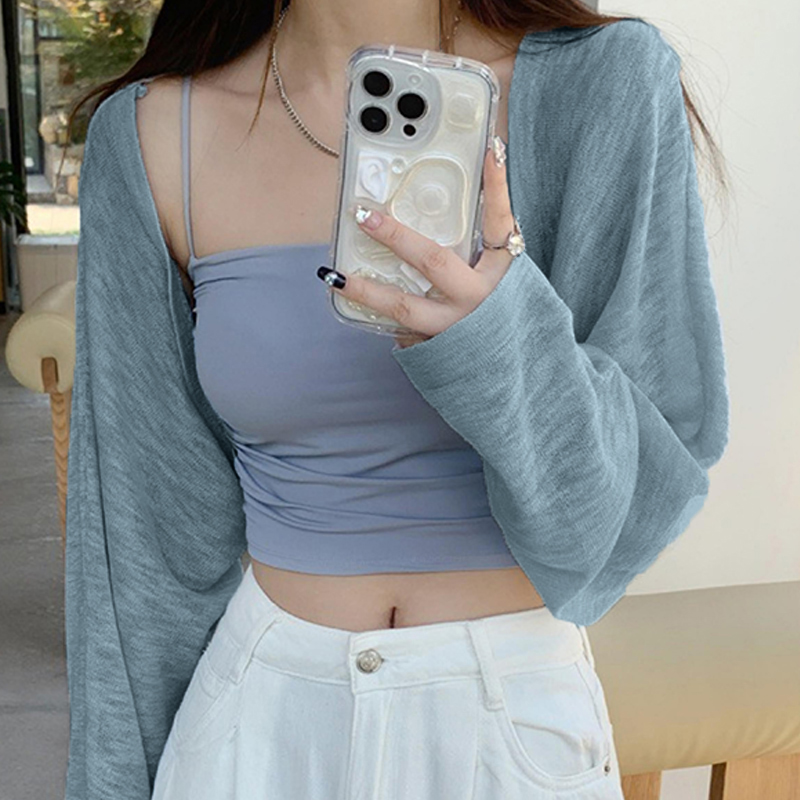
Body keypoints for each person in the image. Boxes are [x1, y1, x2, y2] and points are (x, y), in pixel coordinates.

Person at [64, 0, 730, 798]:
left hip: (507, 728)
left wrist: (495, 341)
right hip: (256, 724)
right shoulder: (153, 133)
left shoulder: (605, 82)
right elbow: (138, 544)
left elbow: (622, 520)